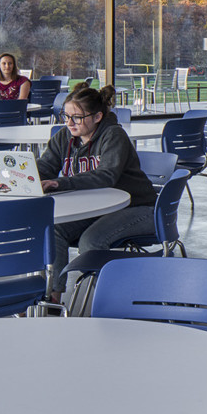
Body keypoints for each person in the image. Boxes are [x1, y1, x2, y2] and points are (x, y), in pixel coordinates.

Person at [37, 84, 157, 300]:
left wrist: (60, 183)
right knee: (54, 230)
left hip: (138, 207)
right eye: (66, 116)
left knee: (90, 241)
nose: (69, 122)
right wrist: (21, 174)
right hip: (96, 208)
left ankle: (109, 300)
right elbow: (44, 167)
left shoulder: (114, 135)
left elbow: (106, 176)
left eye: (77, 117)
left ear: (97, 116)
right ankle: (53, 298)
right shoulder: (64, 137)